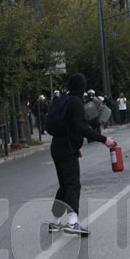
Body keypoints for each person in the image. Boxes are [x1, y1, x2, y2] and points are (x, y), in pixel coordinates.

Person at [50, 73, 116, 236]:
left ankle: (55, 221)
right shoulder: (76, 103)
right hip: (66, 148)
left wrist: (76, 144)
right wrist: (104, 139)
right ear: (82, 87)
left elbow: (68, 127)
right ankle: (72, 221)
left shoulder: (64, 100)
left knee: (65, 185)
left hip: (58, 146)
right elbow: (82, 128)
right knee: (73, 184)